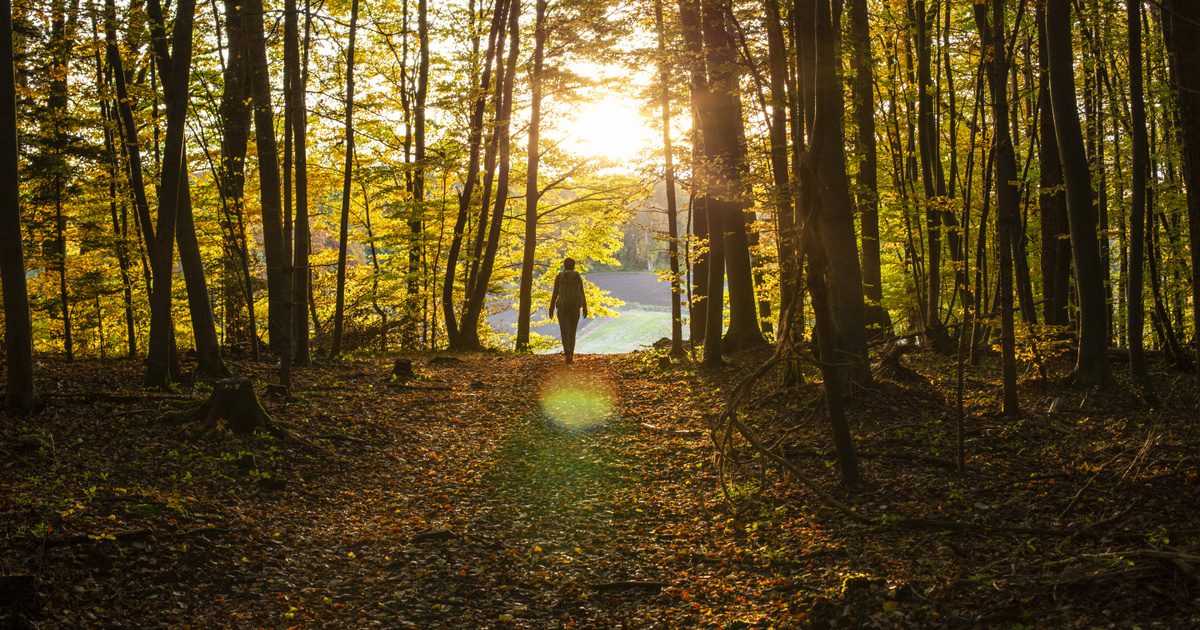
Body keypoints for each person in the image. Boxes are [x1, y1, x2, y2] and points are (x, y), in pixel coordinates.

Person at [549, 257, 588, 364]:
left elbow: (555, 293)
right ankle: (572, 353)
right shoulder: (577, 277)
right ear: (574, 265)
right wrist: (585, 307)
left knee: (564, 331)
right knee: (572, 332)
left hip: (562, 308)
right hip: (575, 308)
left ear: (564, 265)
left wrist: (551, 308)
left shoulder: (560, 277)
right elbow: (582, 292)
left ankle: (568, 352)